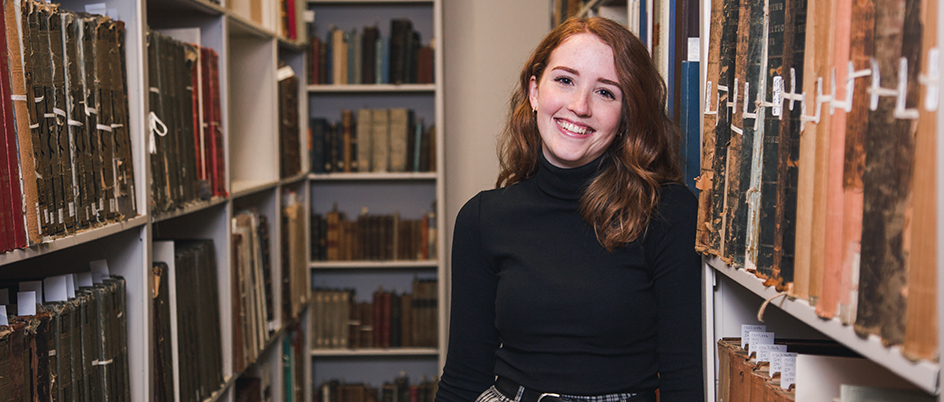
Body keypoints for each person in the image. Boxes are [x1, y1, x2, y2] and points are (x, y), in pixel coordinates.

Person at [435, 17, 704, 402]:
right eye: (565, 80)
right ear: (534, 90)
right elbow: (464, 375)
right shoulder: (482, 218)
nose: (579, 106)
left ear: (627, 115)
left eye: (606, 93)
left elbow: (685, 383)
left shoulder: (667, 213)